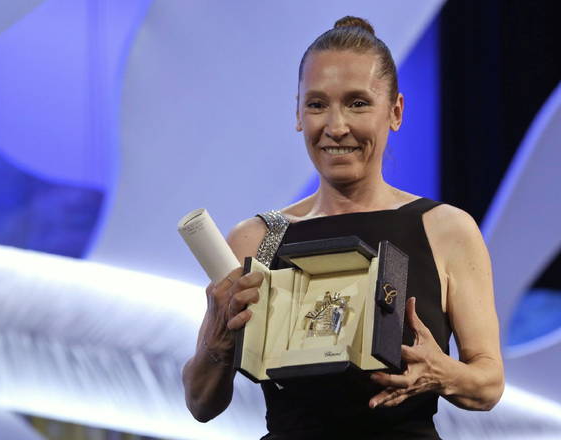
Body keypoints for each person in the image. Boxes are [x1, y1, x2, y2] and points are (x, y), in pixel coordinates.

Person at [182, 16, 504, 439]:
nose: (336, 127)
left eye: (358, 103)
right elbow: (201, 403)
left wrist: (441, 373)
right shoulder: (255, 239)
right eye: (317, 105)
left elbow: (489, 384)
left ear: (395, 112)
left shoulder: (445, 229)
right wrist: (217, 338)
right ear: (298, 114)